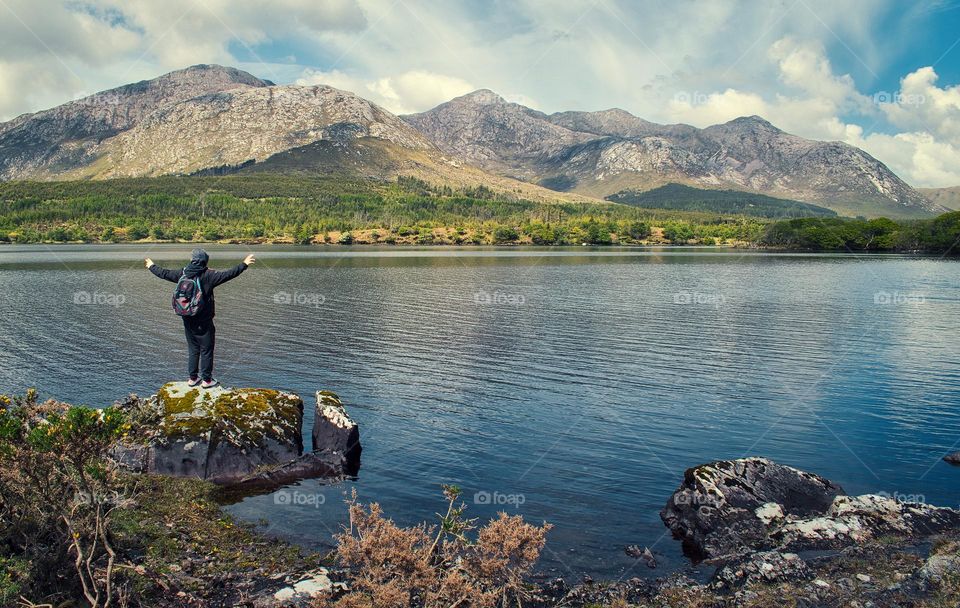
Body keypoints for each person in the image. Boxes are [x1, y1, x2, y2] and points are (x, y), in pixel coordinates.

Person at [145, 249, 256, 388]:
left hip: (187, 319)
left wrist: (151, 265)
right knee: (206, 350)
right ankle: (207, 381)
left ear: (192, 260)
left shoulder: (182, 273)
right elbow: (229, 274)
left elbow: (164, 273)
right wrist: (244, 264)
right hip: (204, 322)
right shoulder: (209, 275)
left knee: (193, 349)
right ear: (205, 261)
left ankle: (192, 378)